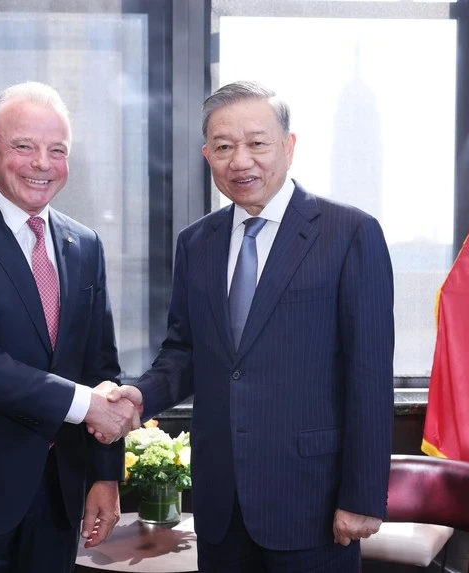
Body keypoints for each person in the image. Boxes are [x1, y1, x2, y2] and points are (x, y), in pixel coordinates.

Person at [124, 80, 395, 572]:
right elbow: (183, 353)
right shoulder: (195, 243)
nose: (240, 160)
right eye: (224, 147)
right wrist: (139, 398)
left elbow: (370, 374)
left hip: (313, 502)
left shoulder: (349, 233)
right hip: (221, 503)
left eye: (257, 143)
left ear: (288, 147)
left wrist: (363, 496)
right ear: (208, 156)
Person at [0, 81, 141, 572]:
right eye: (24, 146)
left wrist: (105, 476)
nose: (42, 163)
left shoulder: (85, 244)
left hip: (59, 498)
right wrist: (86, 407)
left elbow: (101, 363)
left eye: (57, 150)